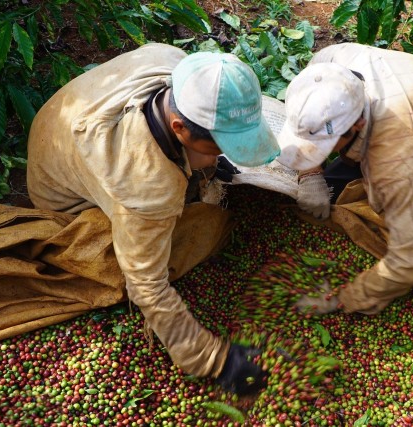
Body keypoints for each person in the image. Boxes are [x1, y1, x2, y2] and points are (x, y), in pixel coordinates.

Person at [27, 43, 280, 395]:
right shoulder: (146, 191)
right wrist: (213, 358)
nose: (221, 156)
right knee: (195, 234)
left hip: (59, 129)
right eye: (217, 147)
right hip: (65, 200)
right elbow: (146, 285)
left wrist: (206, 157)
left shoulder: (174, 63)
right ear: (181, 128)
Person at [277, 43, 413, 315]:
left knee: (397, 207)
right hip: (410, 89)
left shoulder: (397, 158)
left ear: (357, 125)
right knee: (333, 187)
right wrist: (310, 173)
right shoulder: (329, 63)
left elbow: (410, 261)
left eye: (323, 144)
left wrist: (348, 298)